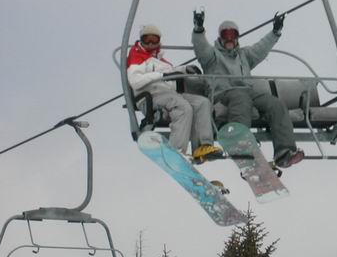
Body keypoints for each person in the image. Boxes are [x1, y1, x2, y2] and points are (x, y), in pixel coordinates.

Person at [191, 10, 304, 168]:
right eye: (225, 35)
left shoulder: (244, 55)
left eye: (233, 35)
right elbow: (200, 47)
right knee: (240, 97)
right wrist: (198, 29)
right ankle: (238, 140)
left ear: (237, 37)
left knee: (275, 104)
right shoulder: (212, 56)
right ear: (220, 37)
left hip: (247, 92)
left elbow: (261, 48)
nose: (229, 38)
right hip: (222, 94)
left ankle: (284, 151)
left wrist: (275, 32)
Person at [126, 24, 223, 162]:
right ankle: (177, 150)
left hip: (169, 94)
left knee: (202, 103)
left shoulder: (159, 59)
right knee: (184, 108)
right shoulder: (137, 56)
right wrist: (161, 75)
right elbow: (135, 81)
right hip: (151, 95)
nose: (151, 43)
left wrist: (185, 69)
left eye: (154, 40)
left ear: (159, 41)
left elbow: (171, 72)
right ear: (141, 40)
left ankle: (202, 146)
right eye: (147, 40)